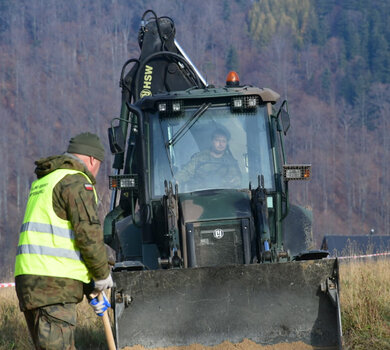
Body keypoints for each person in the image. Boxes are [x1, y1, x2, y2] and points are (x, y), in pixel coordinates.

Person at [14, 132, 113, 350]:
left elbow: (62, 242)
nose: (95, 172)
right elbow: (87, 234)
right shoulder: (76, 181)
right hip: (54, 287)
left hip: (30, 282)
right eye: (98, 165)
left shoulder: (46, 181)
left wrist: (90, 287)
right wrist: (102, 275)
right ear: (93, 160)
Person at [176, 128, 241, 189]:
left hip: (224, 195)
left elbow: (237, 180)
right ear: (212, 141)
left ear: (227, 143)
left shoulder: (230, 162)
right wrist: (176, 181)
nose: (221, 144)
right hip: (200, 195)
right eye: (217, 140)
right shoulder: (199, 158)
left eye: (223, 141)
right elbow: (187, 172)